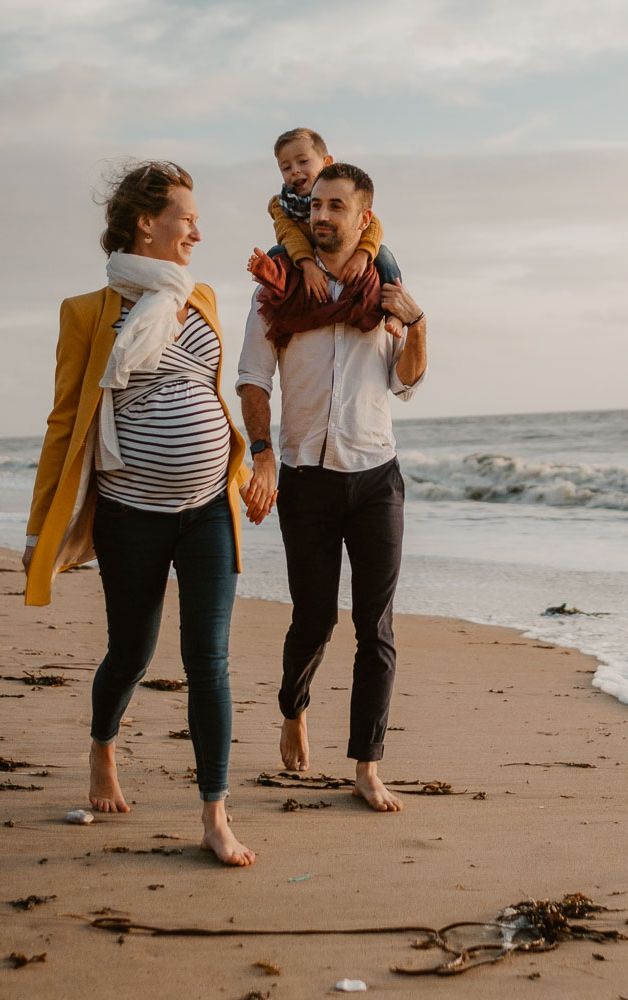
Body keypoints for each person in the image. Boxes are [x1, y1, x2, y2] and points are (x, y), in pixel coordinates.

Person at [23, 160, 257, 865]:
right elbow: (66, 421)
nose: (197, 229)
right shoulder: (88, 313)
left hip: (209, 506)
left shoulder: (205, 297)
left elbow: (216, 389)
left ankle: (215, 814)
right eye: (185, 216)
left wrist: (253, 463)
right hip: (131, 512)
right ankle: (103, 744)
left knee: (207, 660)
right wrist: (41, 528)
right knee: (132, 652)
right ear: (144, 223)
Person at [236, 162, 428, 812]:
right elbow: (254, 379)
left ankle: (367, 766)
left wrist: (419, 324)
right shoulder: (280, 288)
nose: (320, 215)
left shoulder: (387, 291)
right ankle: (294, 708)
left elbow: (405, 382)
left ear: (362, 218)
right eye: (314, 205)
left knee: (375, 628)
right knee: (313, 620)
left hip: (377, 478)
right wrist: (262, 453)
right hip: (306, 479)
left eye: (335, 206)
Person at [252, 127, 404, 333]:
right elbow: (290, 235)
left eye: (303, 162)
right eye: (286, 167)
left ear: (326, 163)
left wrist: (363, 254)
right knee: (276, 254)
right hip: (304, 254)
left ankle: (394, 314)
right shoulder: (281, 204)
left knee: (384, 254)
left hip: (345, 251)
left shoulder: (347, 194)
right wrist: (308, 265)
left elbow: (374, 225)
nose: (295, 170)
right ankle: (277, 292)